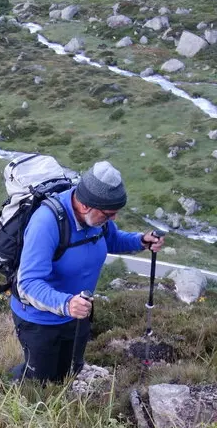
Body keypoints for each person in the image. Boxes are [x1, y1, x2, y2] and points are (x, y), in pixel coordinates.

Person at [11, 160, 165, 382]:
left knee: (70, 370)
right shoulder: (46, 223)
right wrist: (66, 304)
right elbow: (28, 283)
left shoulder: (96, 217)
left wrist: (141, 241)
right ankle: (8, 388)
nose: (113, 219)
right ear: (85, 206)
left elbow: (110, 239)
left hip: (78, 314)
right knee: (40, 379)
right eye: (109, 214)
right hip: (40, 321)